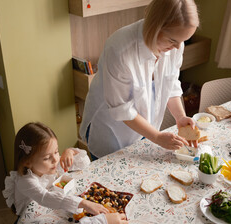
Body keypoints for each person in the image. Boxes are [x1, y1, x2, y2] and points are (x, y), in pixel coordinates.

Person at [79, 0, 200, 160]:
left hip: (143, 127)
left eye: (182, 41)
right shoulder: (119, 49)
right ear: (155, 27)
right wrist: (156, 137)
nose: (178, 47)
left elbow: (170, 84)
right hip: (111, 130)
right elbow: (121, 108)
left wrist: (180, 117)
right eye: (173, 41)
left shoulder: (175, 44)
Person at [2, 122, 128, 224]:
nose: (55, 159)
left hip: (48, 206)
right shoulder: (25, 181)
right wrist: (84, 203)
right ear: (27, 162)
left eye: (56, 152)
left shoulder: (50, 163)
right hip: (31, 213)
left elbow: (84, 163)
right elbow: (45, 197)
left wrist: (71, 152)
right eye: (47, 157)